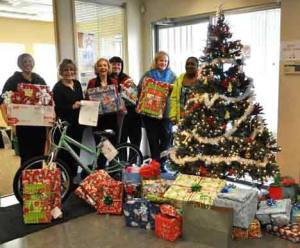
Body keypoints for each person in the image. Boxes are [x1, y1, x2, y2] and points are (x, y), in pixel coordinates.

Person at [0, 53, 47, 166]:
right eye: (24, 61)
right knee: (26, 154)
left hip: (39, 123)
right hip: (23, 124)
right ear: (19, 64)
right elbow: (2, 99)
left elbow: (48, 97)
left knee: (39, 153)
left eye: (30, 61)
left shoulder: (38, 78)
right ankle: (25, 182)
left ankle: (37, 181)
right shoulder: (13, 80)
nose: (28, 64)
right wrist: (7, 119)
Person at [138, 51, 176, 170]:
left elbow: (177, 93)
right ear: (156, 61)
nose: (163, 63)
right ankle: (155, 163)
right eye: (161, 60)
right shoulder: (148, 74)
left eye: (165, 61)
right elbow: (140, 89)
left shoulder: (172, 76)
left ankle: (162, 162)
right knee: (153, 139)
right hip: (150, 114)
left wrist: (171, 88)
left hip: (166, 114)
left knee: (166, 139)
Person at [52, 59, 84, 178]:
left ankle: (73, 178)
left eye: (71, 69)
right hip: (65, 125)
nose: (69, 72)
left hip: (79, 124)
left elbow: (82, 100)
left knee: (75, 153)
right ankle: (63, 180)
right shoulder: (58, 87)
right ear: (61, 72)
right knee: (64, 155)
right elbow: (57, 108)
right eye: (65, 70)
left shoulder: (77, 84)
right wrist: (72, 106)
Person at [109, 56, 141, 148]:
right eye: (113, 64)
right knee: (120, 140)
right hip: (116, 115)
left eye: (119, 64)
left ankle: (134, 161)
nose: (116, 66)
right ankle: (121, 162)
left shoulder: (127, 78)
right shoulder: (106, 80)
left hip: (131, 113)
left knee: (135, 139)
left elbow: (135, 97)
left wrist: (129, 90)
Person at [86, 58, 119, 146]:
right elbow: (87, 98)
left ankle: (112, 160)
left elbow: (117, 98)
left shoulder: (114, 82)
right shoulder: (92, 82)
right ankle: (101, 160)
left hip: (112, 118)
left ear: (108, 68)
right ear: (96, 69)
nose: (102, 67)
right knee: (100, 145)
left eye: (105, 65)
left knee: (112, 144)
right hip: (97, 119)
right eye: (100, 66)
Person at [170, 56, 201, 123]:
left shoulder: (201, 79)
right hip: (181, 116)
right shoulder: (180, 79)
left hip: (198, 118)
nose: (189, 66)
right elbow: (173, 98)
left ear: (197, 66)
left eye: (192, 64)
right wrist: (173, 116)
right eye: (187, 64)